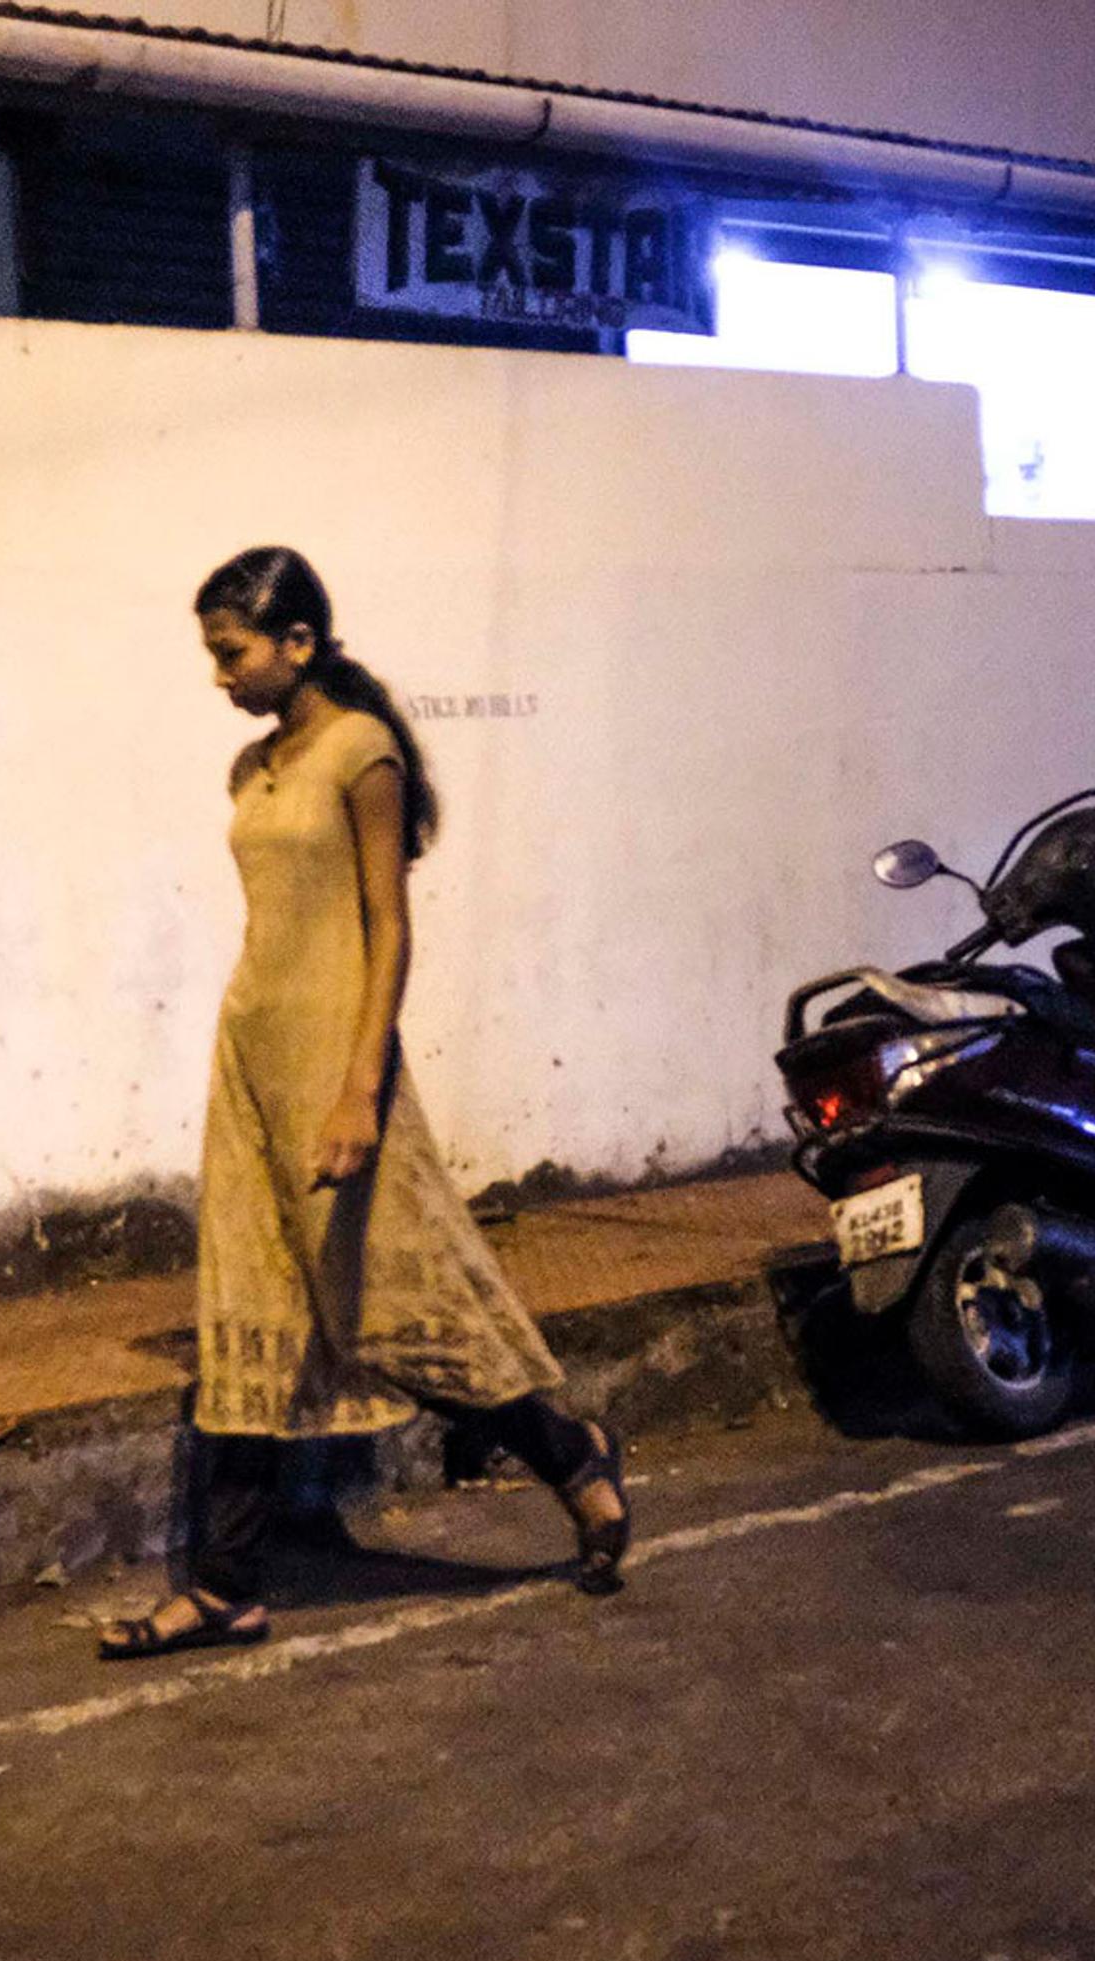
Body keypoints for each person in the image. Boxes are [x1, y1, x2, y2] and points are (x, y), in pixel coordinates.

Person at [101, 546, 629, 1659]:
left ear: (298, 643)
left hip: (341, 1070)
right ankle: (225, 1586)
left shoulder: (363, 752)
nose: (219, 675)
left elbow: (389, 930)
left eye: (231, 651)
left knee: (399, 1307)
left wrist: (360, 1091)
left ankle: (571, 1455)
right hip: (251, 1063)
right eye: (213, 653)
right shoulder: (251, 770)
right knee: (246, 1318)